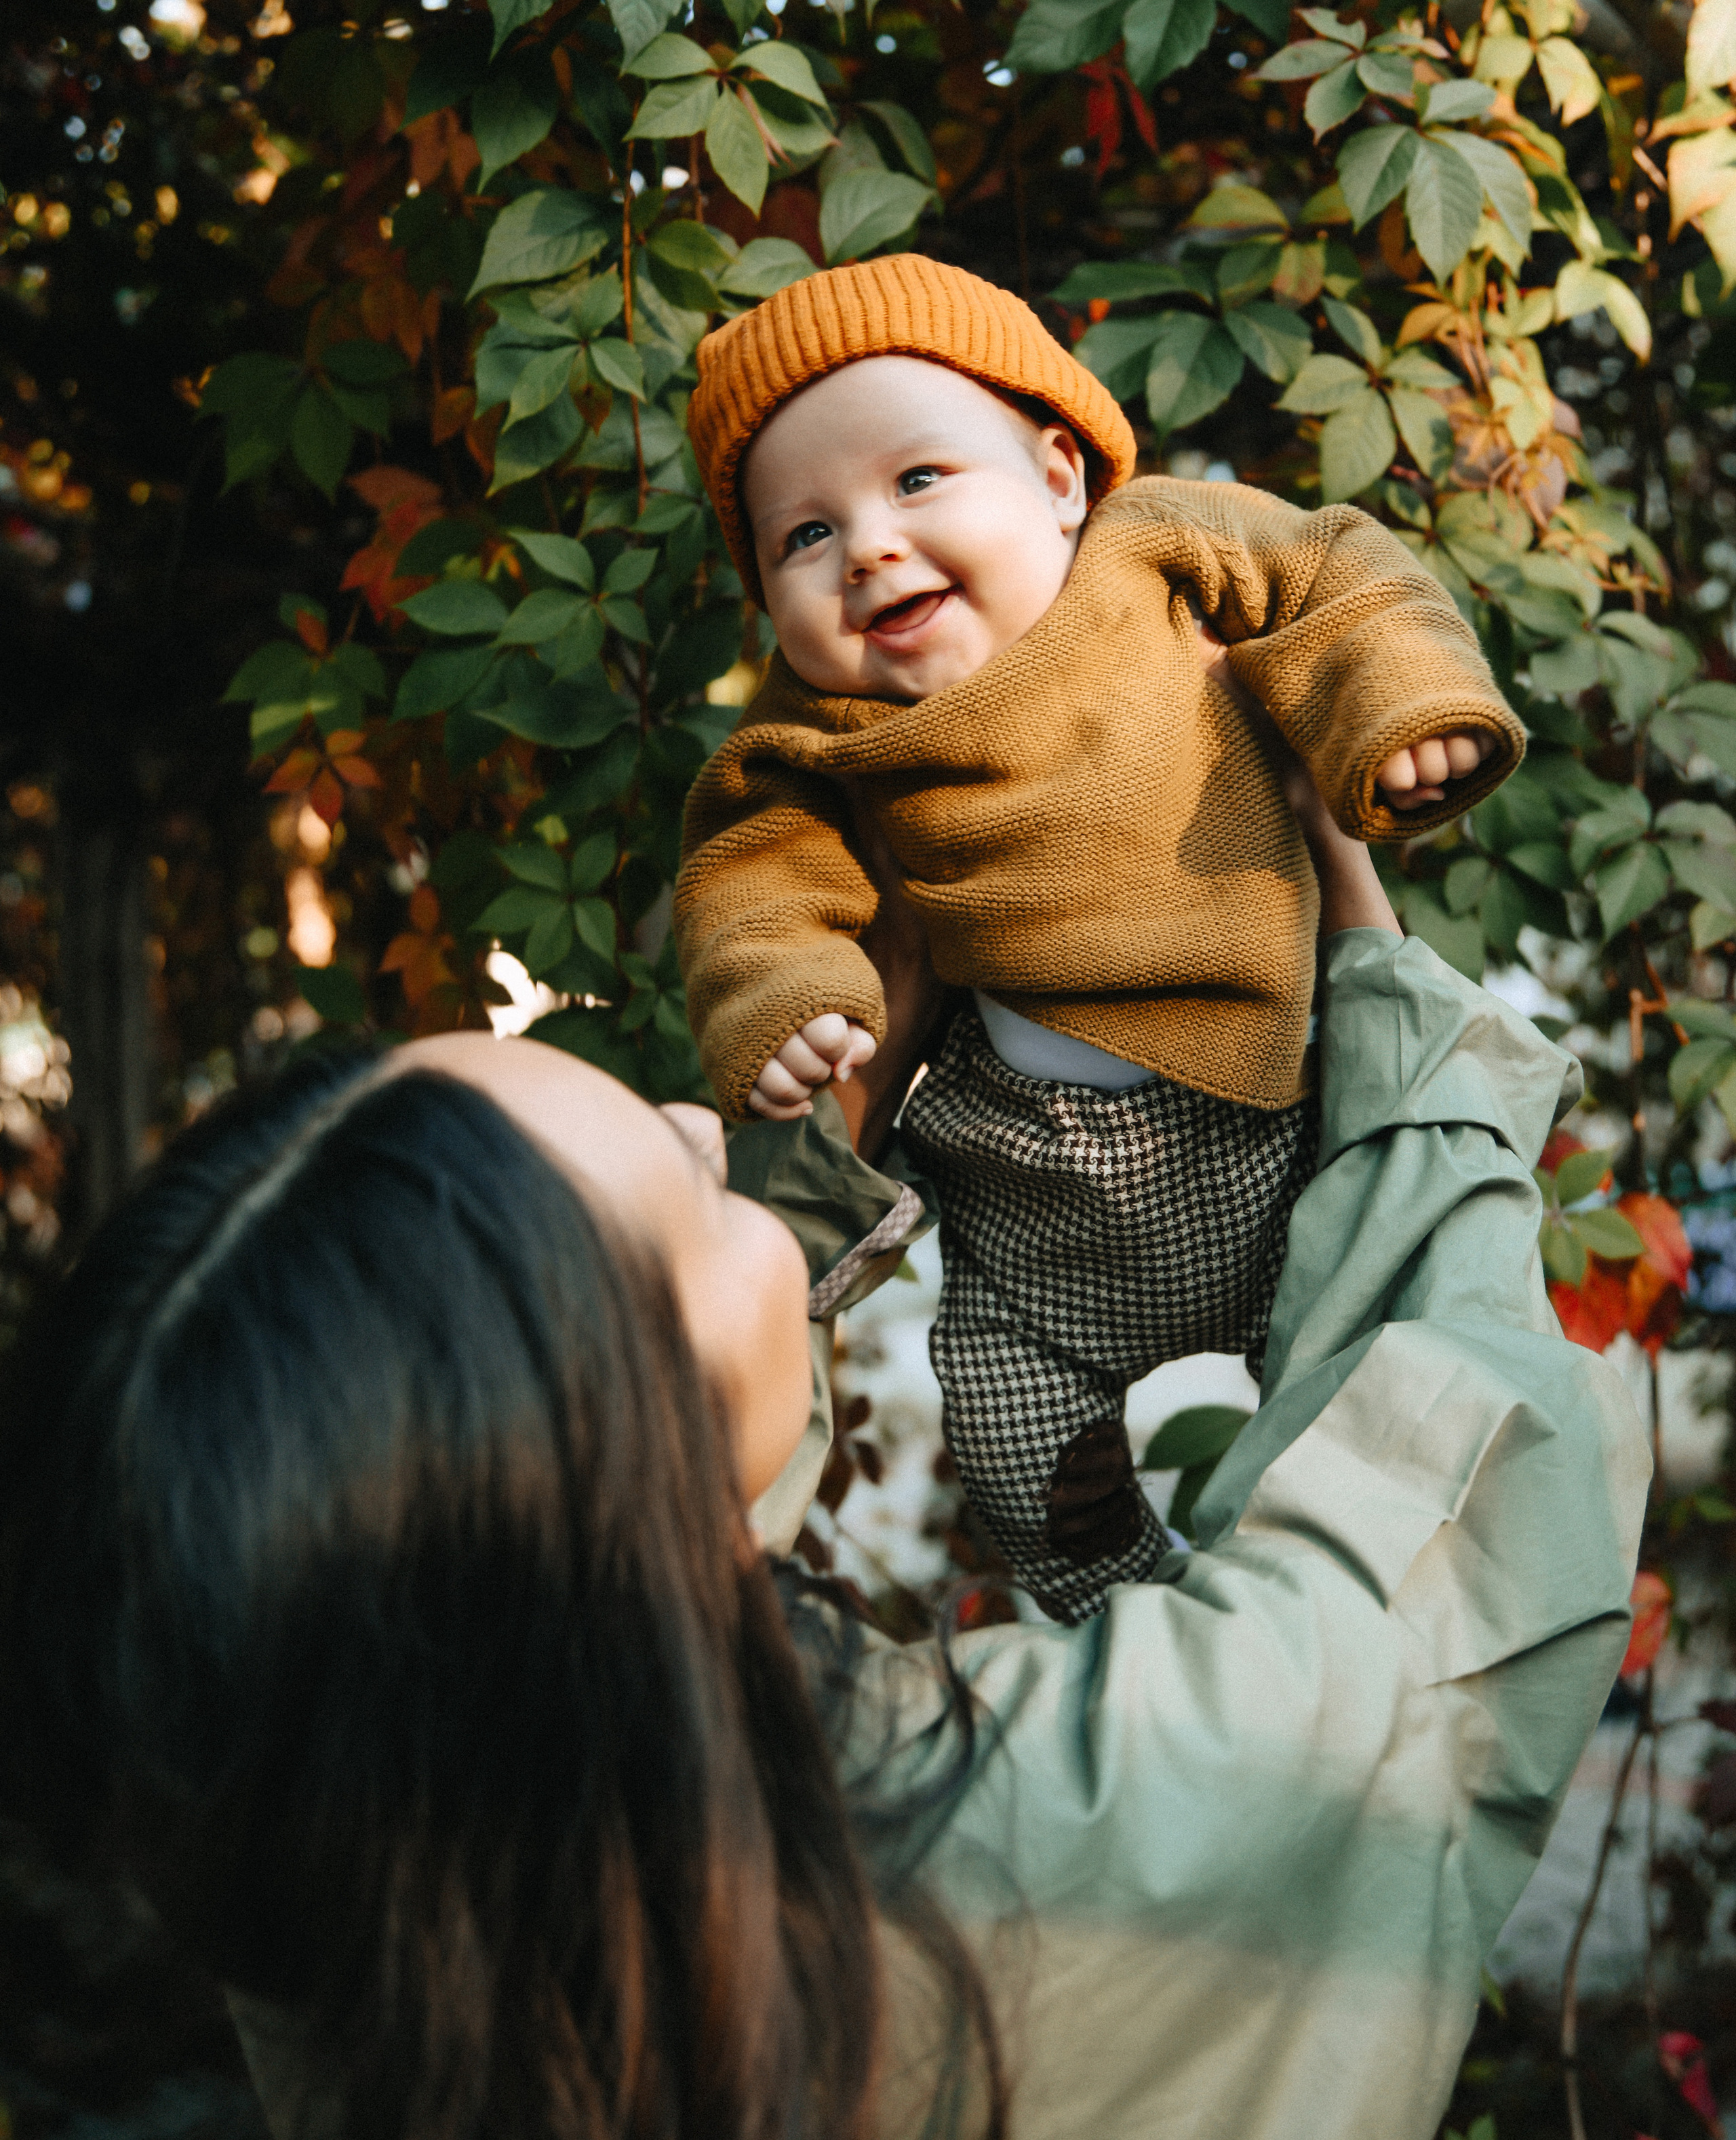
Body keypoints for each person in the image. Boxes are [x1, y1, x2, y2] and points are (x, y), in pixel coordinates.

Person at [0, 785, 1647, 2140]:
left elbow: (640, 1510)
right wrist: (1356, 936)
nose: (704, 1122)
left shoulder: (314, 1829)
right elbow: (1429, 1569)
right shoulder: (1062, 1840)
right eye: (680, 1182)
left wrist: (830, 1124)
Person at [675, 253, 1526, 1617]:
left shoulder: (1156, 551)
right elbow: (753, 874)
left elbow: (1338, 571)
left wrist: (1400, 710)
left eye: (915, 481)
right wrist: (788, 1002)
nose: (870, 545)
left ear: (1060, 478)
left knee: (1372, 1394)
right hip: (1029, 1206)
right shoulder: (810, 732)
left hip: (1268, 1135)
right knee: (1010, 1439)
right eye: (803, 535)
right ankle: (1126, 1616)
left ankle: (1340, 1617)